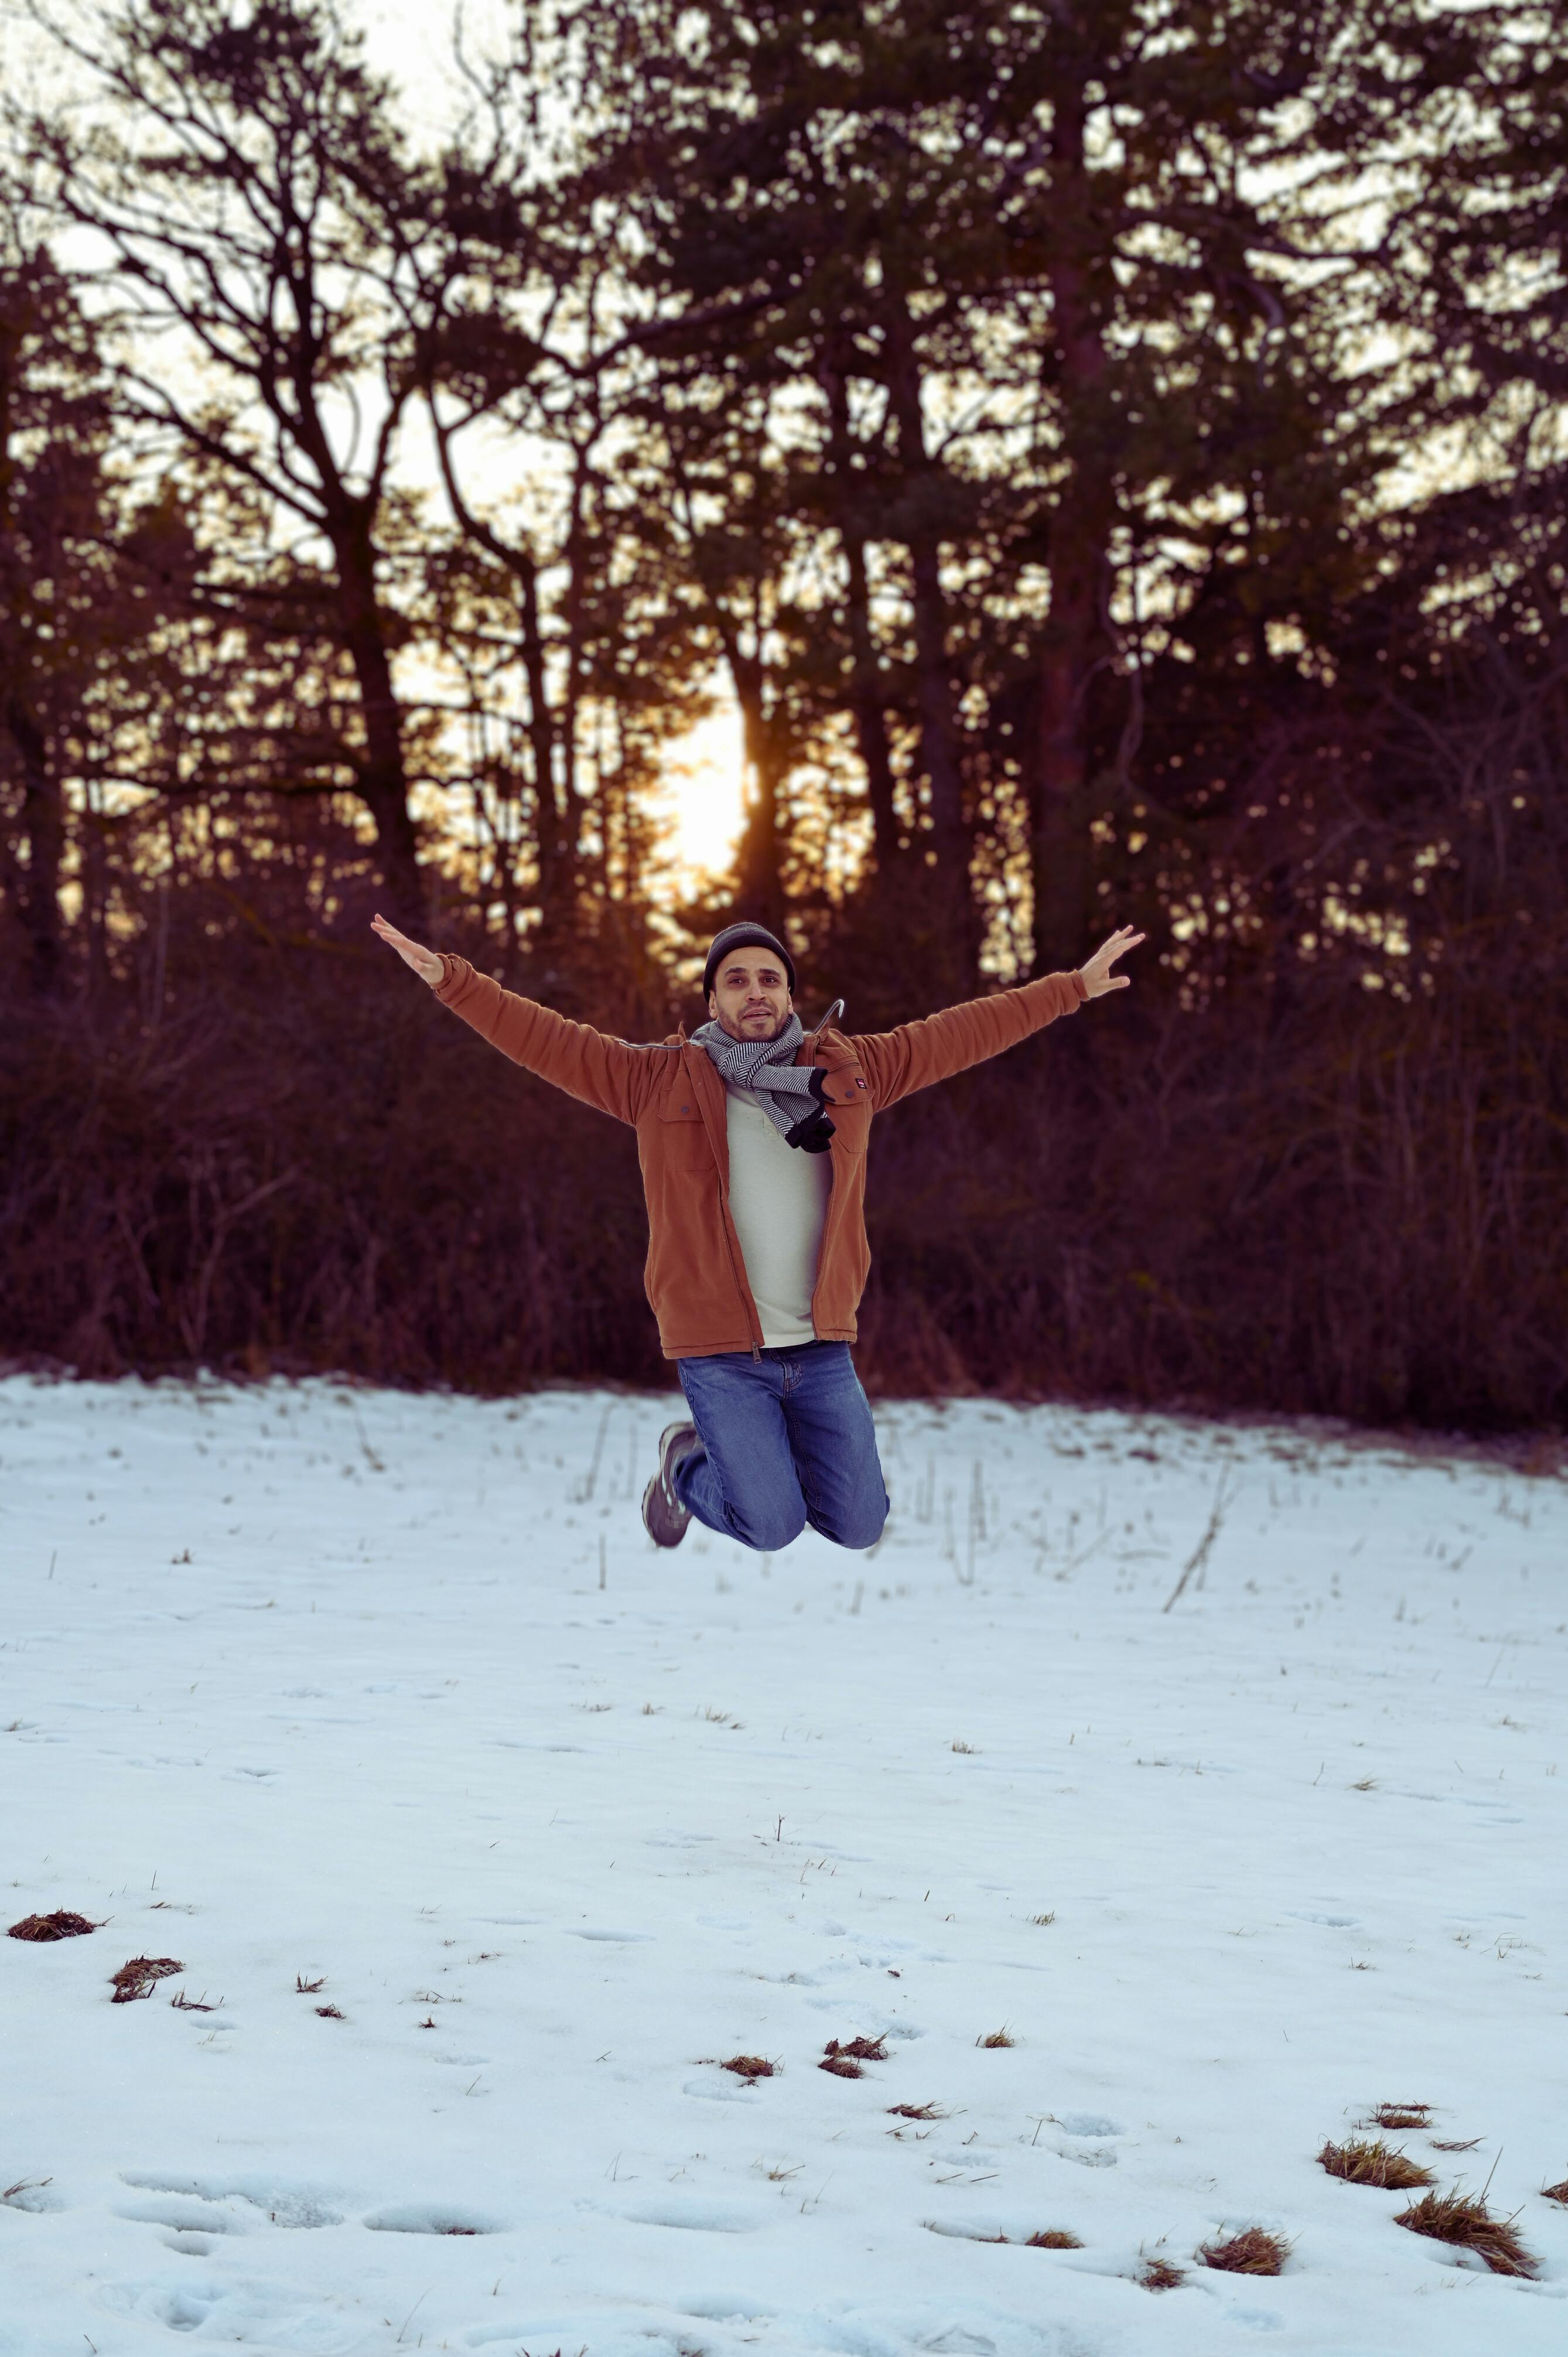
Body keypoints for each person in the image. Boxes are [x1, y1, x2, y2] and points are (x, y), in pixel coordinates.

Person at [371, 911, 1143, 1554]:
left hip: (819, 1348)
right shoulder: (655, 1080)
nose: (754, 991)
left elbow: (962, 1031)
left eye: (768, 978)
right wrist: (453, 981)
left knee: (857, 1523)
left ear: (790, 996)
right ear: (712, 998)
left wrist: (1071, 989)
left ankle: (757, 1463)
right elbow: (545, 1038)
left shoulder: (850, 1074)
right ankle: (684, 1469)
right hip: (720, 1355)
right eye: (735, 979)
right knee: (770, 1525)